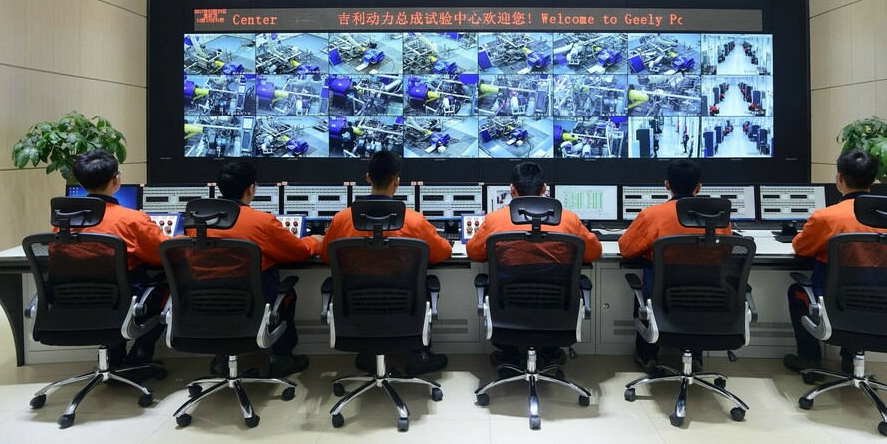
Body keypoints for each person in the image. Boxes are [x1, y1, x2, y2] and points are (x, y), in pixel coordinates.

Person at [321, 151, 453, 376]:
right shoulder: (414, 221)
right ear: (397, 182)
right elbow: (443, 252)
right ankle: (419, 355)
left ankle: (368, 353)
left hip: (357, 308)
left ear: (368, 178)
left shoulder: (341, 220)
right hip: (404, 307)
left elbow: (326, 256)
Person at [782, 149, 887, 375]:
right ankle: (850, 359)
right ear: (874, 179)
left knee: (797, 292)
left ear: (839, 178)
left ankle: (810, 359)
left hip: (836, 302)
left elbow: (801, 248)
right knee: (863, 295)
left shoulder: (826, 217)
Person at [466, 162, 601, 369]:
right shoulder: (569, 220)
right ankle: (550, 352)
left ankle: (511, 354)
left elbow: (474, 252)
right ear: (544, 188)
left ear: (512, 189)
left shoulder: (494, 220)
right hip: (558, 311)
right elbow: (594, 252)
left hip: (508, 312)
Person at [617, 159, 731, 376]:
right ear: (699, 187)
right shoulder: (719, 220)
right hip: (708, 298)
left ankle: (647, 356)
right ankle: (695, 357)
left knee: (646, 285)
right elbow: (726, 252)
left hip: (661, 299)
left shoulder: (652, 215)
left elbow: (626, 249)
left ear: (667, 185)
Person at [209, 160, 322, 378]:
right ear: (250, 189)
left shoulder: (197, 222)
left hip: (208, 303)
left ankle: (222, 358)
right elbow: (297, 252)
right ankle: (282, 359)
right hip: (254, 304)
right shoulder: (262, 222)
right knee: (286, 294)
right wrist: (315, 240)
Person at [69, 150, 168, 370]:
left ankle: (113, 356)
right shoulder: (133, 220)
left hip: (74, 304)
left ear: (81, 183)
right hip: (122, 303)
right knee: (166, 286)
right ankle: (141, 354)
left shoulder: (64, 223)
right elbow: (162, 254)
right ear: (116, 181)